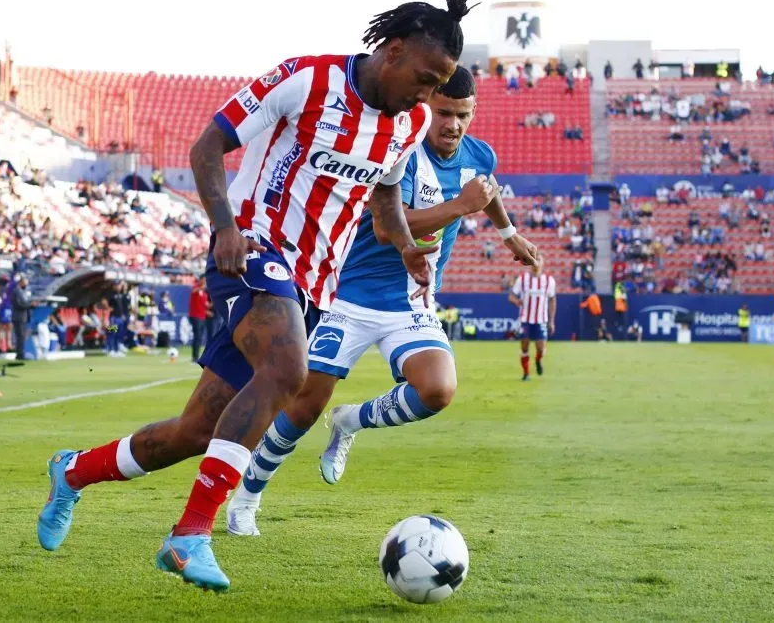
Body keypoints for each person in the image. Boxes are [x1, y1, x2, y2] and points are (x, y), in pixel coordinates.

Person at [36, 0, 477, 591]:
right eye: (424, 79)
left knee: (196, 431)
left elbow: (385, 195)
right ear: (392, 50)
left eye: (438, 85)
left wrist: (405, 247)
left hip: (313, 284)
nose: (427, 96)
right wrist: (223, 226)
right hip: (253, 249)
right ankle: (190, 535)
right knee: (290, 371)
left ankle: (74, 472)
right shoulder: (305, 80)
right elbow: (208, 145)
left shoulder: (411, 122)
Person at [224, 67, 538, 536]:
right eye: (446, 114)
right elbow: (386, 227)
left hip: (411, 304)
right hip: (347, 296)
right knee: (304, 404)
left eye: (464, 116)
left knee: (437, 391)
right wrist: (460, 207)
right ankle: (246, 499)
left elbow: (484, 189)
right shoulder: (401, 149)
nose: (454, 125)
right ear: (427, 107)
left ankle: (351, 421)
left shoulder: (478, 154)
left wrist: (508, 233)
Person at [509, 259, 556, 381]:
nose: (536, 262)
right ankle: (526, 373)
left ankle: (538, 360)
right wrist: (516, 301)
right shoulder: (523, 279)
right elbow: (511, 296)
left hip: (541, 320)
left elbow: (552, 300)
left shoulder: (549, 281)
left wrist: (551, 321)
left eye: (539, 260)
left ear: (543, 263)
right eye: (534, 260)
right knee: (524, 347)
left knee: (540, 348)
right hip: (525, 319)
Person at [11, 273, 33, 360]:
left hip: (23, 317)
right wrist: (30, 305)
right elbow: (18, 304)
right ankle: (20, 355)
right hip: (18, 317)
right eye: (25, 280)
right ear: (20, 282)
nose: (26, 282)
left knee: (22, 336)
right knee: (20, 336)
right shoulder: (16, 291)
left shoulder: (22, 291)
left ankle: (21, 353)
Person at [188, 277, 209, 362]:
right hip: (195, 316)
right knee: (197, 337)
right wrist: (202, 286)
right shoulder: (196, 287)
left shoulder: (204, 293)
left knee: (200, 337)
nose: (205, 281)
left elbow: (206, 305)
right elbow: (194, 291)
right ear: (200, 279)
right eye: (204, 279)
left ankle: (197, 356)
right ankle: (194, 357)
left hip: (203, 316)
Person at [0, 275, 13, 354]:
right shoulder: (4, 289)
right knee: (3, 327)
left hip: (6, 308)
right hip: (5, 308)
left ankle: (5, 345)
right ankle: (0, 346)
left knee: (6, 327)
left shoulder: (2, 289)